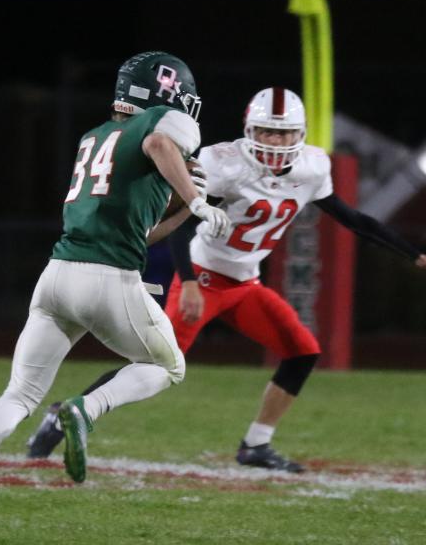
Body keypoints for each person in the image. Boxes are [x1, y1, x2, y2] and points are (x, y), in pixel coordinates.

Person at [25, 87, 426, 472]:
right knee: (155, 365)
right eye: (267, 129)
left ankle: (255, 444)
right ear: (250, 129)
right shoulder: (225, 162)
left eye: (284, 131)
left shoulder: (311, 167)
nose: (274, 139)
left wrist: (413, 254)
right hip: (203, 276)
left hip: (245, 283)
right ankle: (64, 414)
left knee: (302, 351)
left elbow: (352, 218)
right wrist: (191, 282)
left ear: (299, 134)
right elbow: (182, 223)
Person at [0, 51, 231, 502]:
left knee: (19, 394)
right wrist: (196, 200)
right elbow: (158, 145)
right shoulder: (165, 124)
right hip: (108, 279)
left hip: (57, 277)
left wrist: (181, 207)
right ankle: (87, 407)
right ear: (167, 94)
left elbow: (143, 233)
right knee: (168, 366)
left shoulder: (94, 137)